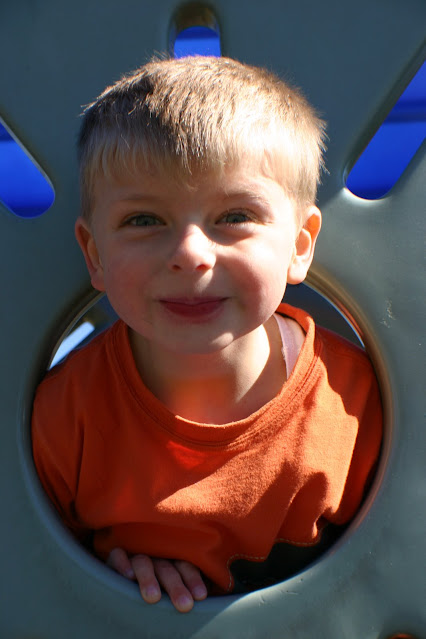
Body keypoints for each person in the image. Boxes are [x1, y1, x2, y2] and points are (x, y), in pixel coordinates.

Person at [32, 55, 382, 614]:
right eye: (144, 220)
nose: (190, 255)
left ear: (299, 245)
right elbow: (32, 570)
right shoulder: (63, 419)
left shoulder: (359, 407)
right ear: (94, 255)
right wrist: (107, 574)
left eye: (235, 215)